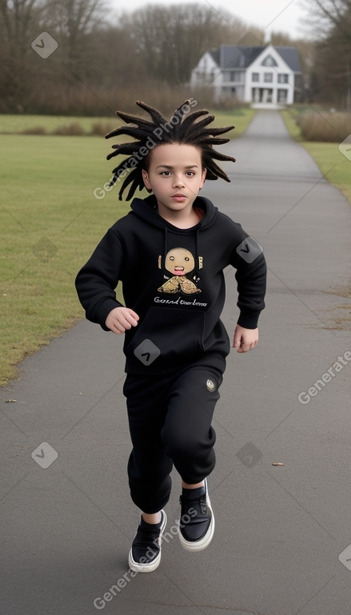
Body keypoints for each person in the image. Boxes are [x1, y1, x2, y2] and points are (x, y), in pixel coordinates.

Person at [75, 99, 266, 572]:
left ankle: (195, 493)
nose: (177, 182)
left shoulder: (222, 230)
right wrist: (109, 309)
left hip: (200, 357)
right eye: (164, 172)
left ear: (204, 177)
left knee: (185, 436)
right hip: (144, 365)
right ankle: (150, 522)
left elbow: (254, 263)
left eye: (187, 172)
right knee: (148, 462)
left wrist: (249, 318)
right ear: (146, 178)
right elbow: (92, 279)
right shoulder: (129, 232)